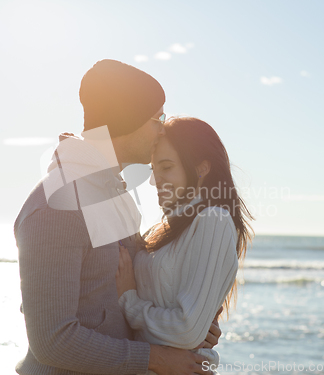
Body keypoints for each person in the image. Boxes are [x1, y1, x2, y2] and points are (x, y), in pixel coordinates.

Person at [14, 60, 221, 375]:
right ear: (129, 119)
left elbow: (130, 293)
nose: (163, 129)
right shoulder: (58, 204)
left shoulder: (116, 196)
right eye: (157, 118)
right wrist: (157, 359)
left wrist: (189, 324)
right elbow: (52, 340)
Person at [116, 117, 254, 374]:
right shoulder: (161, 229)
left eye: (167, 167)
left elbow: (187, 329)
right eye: (154, 170)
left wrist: (130, 303)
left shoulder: (214, 221)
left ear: (201, 169)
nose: (155, 182)